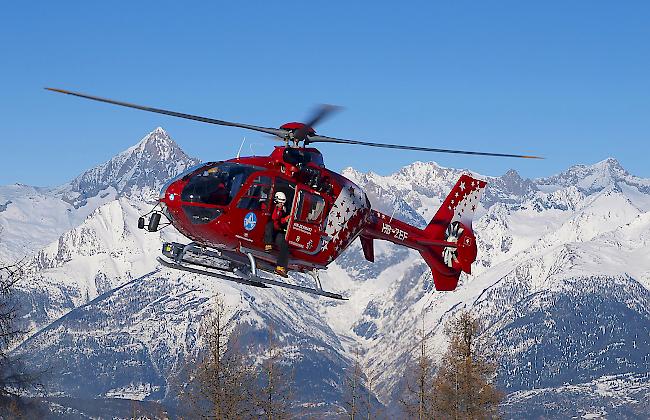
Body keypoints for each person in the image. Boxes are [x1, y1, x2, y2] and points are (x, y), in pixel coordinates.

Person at [264, 191, 291, 277]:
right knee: (270, 224)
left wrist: (286, 219)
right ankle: (268, 244)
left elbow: (279, 221)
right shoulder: (271, 207)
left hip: (277, 230)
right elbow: (273, 218)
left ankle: (281, 267)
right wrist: (278, 209)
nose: (282, 204)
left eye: (283, 203)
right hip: (269, 229)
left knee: (284, 244)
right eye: (280, 202)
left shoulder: (282, 209)